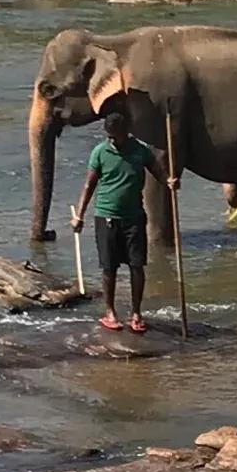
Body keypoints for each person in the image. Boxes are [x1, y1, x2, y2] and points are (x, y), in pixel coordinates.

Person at [71, 94, 159, 334]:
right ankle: (109, 310)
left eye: (115, 135)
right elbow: (89, 185)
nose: (112, 140)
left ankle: (136, 312)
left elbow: (159, 173)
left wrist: (171, 180)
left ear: (126, 131)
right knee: (109, 267)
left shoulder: (140, 151)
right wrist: (79, 215)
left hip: (134, 217)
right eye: (109, 135)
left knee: (137, 265)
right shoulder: (100, 152)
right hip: (107, 215)